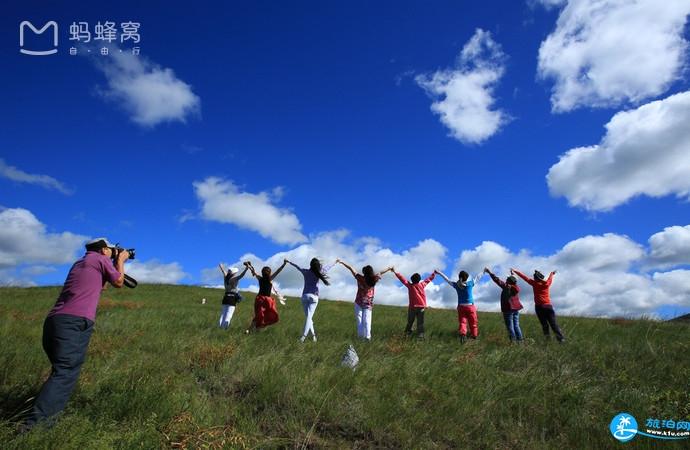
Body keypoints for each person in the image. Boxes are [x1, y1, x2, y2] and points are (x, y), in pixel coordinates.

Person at [23, 237, 129, 430]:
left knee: (60, 371)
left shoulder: (81, 263)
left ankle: (39, 419)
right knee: (65, 373)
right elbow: (119, 282)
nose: (114, 252)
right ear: (104, 250)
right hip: (75, 322)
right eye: (112, 250)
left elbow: (101, 287)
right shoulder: (100, 259)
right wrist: (120, 261)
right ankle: (35, 429)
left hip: (55, 322)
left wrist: (113, 262)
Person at [335, 259, 393, 341]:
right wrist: (389, 268)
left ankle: (361, 338)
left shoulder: (360, 277)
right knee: (366, 321)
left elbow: (351, 268)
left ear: (364, 272)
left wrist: (342, 262)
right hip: (367, 304)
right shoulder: (374, 278)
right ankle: (367, 338)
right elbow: (381, 272)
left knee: (360, 322)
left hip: (359, 303)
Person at [511, 268, 565, 343]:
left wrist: (515, 271)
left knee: (544, 325)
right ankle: (561, 339)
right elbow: (550, 278)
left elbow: (524, 277)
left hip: (539, 307)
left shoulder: (534, 283)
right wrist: (552, 273)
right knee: (553, 324)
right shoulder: (547, 284)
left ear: (536, 278)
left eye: (534, 277)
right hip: (548, 307)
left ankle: (548, 340)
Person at [285, 258, 332, 342]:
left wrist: (289, 262)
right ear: (318, 265)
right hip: (314, 297)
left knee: (309, 317)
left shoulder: (305, 271)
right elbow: (328, 267)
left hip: (305, 296)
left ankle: (311, 337)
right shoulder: (319, 273)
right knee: (309, 318)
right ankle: (305, 337)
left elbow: (297, 267)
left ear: (310, 265)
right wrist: (336, 261)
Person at [435, 269, 483, 343]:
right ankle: (474, 336)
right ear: (467, 278)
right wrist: (484, 271)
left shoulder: (456, 285)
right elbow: (478, 277)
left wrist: (439, 273)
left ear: (459, 277)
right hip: (470, 307)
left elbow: (447, 279)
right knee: (473, 322)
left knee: (462, 322)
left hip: (461, 307)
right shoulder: (470, 284)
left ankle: (463, 335)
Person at [245, 261, 287, 333]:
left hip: (259, 299)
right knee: (267, 315)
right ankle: (254, 330)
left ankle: (251, 329)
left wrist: (249, 266)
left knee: (259, 315)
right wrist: (284, 264)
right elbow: (278, 271)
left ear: (262, 273)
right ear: (270, 272)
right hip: (267, 300)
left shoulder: (260, 278)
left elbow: (253, 272)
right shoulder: (269, 279)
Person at [393, 268, 435, 338]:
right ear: (419, 279)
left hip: (412, 307)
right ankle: (420, 336)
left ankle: (407, 334)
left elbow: (402, 279)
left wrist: (395, 272)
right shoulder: (422, 285)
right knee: (420, 323)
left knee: (410, 322)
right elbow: (428, 279)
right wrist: (434, 274)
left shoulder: (410, 286)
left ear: (412, 279)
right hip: (421, 307)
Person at [484, 267, 524, 343]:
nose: (506, 279)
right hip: (516, 309)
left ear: (509, 281)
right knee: (516, 325)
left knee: (510, 326)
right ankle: (520, 341)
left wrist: (489, 272)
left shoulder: (506, 286)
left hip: (508, 309)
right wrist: (512, 273)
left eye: (507, 279)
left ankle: (513, 342)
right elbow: (514, 280)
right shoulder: (515, 287)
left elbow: (497, 280)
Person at [218, 262, 250, 329]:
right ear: (233, 273)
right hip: (232, 298)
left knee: (223, 315)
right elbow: (241, 275)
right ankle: (224, 329)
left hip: (225, 297)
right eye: (235, 272)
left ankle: (219, 327)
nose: (236, 273)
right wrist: (246, 269)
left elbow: (223, 271)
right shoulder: (234, 279)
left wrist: (221, 267)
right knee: (228, 316)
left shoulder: (226, 277)